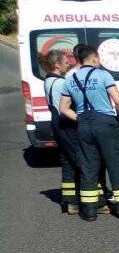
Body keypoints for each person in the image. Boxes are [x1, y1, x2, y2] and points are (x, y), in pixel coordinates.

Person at [59, 45, 119, 221]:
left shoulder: (70, 79)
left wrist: (80, 119)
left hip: (83, 124)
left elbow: (63, 109)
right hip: (105, 123)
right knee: (116, 165)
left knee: (88, 168)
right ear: (95, 59)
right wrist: (116, 118)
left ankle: (89, 212)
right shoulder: (103, 75)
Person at [39, 49, 80, 214]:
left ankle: (70, 201)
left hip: (56, 124)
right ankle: (89, 199)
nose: (68, 64)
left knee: (68, 162)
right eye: (65, 62)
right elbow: (66, 108)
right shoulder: (62, 83)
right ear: (57, 64)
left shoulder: (48, 81)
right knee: (80, 160)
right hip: (66, 125)